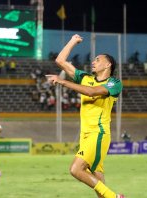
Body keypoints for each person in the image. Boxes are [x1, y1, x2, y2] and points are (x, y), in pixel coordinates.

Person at [46, 34, 124, 198]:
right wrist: (72, 41)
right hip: (85, 135)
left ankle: (115, 197)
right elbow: (60, 61)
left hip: (99, 133)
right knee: (98, 181)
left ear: (108, 64)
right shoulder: (85, 78)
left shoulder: (113, 83)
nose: (93, 62)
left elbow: (92, 92)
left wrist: (63, 81)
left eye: (97, 60)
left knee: (76, 169)